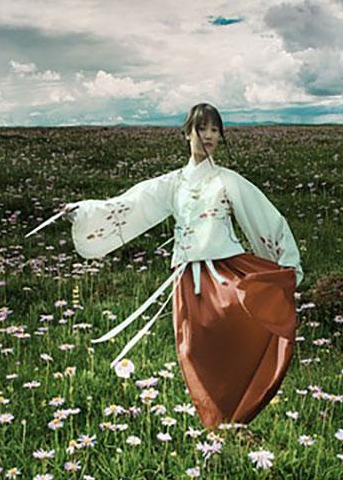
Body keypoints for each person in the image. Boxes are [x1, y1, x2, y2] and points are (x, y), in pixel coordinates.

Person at [54, 103, 303, 429]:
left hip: (226, 272)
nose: (210, 136)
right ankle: (216, 421)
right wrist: (82, 211)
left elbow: (264, 217)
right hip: (188, 279)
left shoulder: (229, 181)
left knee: (239, 337)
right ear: (187, 133)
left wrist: (285, 267)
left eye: (215, 129)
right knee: (194, 352)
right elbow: (131, 203)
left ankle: (237, 413)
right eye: (202, 128)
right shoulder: (174, 183)